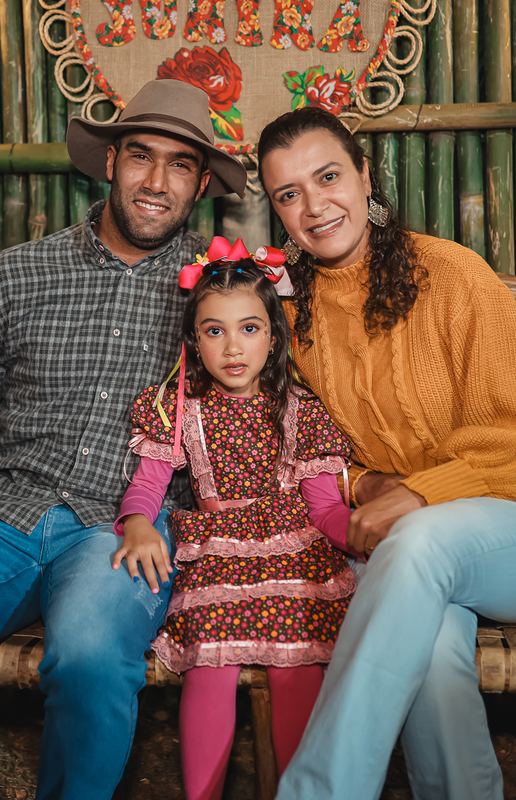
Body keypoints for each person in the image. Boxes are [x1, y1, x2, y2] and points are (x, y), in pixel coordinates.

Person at [0, 80, 248, 800]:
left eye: (181, 165)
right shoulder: (15, 275)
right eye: (142, 157)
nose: (157, 182)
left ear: (201, 185)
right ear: (111, 161)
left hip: (126, 521)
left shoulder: (219, 293)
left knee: (91, 659)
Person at [256, 106, 516, 800]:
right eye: (289, 193)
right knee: (432, 649)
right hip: (416, 552)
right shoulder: (290, 315)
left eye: (328, 177)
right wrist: (365, 483)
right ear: (277, 212)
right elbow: (300, 451)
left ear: (365, 176)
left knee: (415, 541)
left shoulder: (452, 273)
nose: (314, 206)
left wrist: (416, 492)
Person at [112, 247, 358, 800]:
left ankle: (300, 793)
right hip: (217, 552)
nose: (232, 347)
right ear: (193, 341)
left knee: (297, 663)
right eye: (213, 331)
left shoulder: (300, 408)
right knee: (208, 661)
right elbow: (150, 484)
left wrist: (366, 535)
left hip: (295, 552)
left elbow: (325, 509)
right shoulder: (179, 408)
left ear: (273, 335)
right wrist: (137, 521)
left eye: (249, 328)